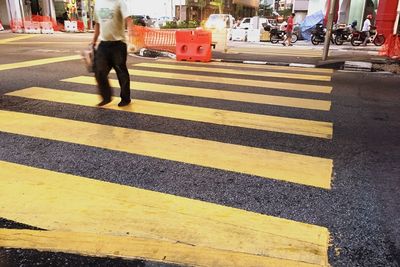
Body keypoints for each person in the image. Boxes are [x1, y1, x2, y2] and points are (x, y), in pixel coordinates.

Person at [91, 0, 131, 107]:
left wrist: (131, 39)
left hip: (118, 44)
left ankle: (126, 98)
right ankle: (106, 97)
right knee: (99, 71)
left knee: (121, 72)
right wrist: (94, 40)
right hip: (103, 44)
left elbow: (128, 20)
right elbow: (97, 24)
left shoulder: (119, 2)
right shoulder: (98, 4)